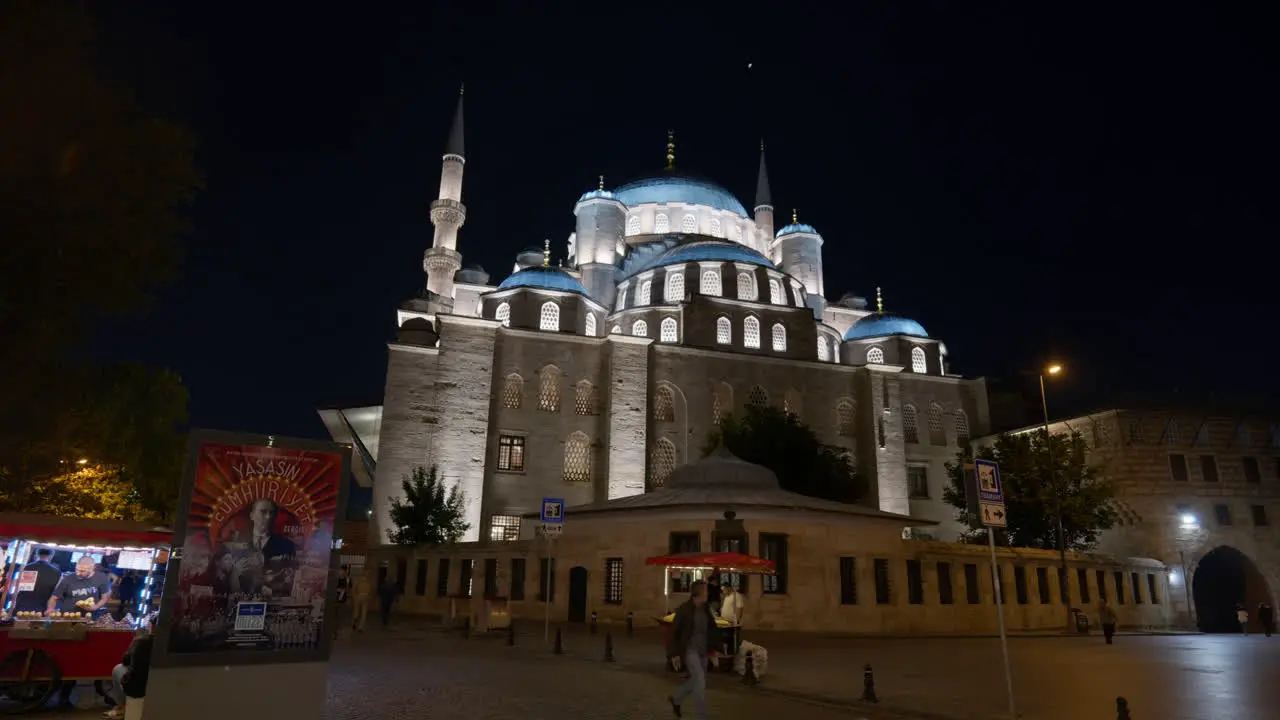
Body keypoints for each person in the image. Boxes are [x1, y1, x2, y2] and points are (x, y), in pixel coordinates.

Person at [666, 580, 721, 719]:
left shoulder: (705, 609)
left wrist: (713, 651)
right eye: (706, 591)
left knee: (695, 681)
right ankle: (703, 717)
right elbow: (674, 633)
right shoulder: (684, 610)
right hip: (690, 650)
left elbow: (712, 630)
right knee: (700, 682)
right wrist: (674, 654)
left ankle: (677, 699)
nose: (708, 593)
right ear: (699, 593)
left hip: (703, 650)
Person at [103, 630, 152, 719]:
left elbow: (126, 660)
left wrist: (135, 642)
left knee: (118, 668)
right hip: (166, 683)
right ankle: (122, 706)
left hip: (139, 688)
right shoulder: (180, 640)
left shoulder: (143, 641)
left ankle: (121, 706)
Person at [47, 556, 112, 617]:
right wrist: (50, 609)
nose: (78, 573)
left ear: (92, 568)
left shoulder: (102, 578)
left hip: (90, 617)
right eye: (76, 569)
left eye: (82, 571)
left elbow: (104, 598)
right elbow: (53, 598)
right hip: (67, 616)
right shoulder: (68, 578)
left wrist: (95, 607)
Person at [14, 548, 62, 614]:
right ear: (51, 556)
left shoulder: (28, 567)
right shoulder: (56, 572)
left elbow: (21, 588)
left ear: (36, 555)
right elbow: (55, 593)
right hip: (41, 609)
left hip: (22, 607)